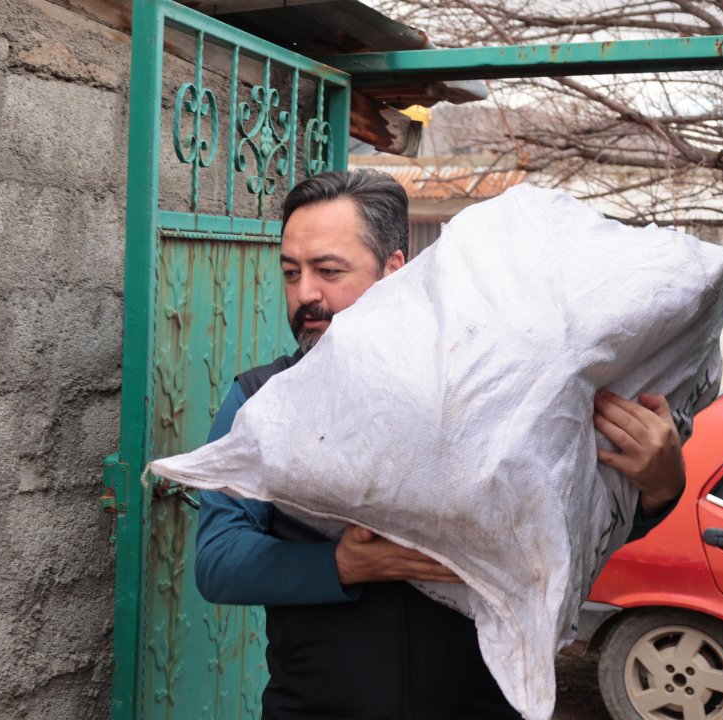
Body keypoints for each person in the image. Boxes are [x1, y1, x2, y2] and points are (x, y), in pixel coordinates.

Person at [194, 169, 685, 720]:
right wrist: (342, 565)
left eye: (328, 271)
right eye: (292, 272)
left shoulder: (486, 390)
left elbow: (569, 527)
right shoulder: (260, 401)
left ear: (395, 271)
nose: (306, 293)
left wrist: (660, 490)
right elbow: (218, 562)